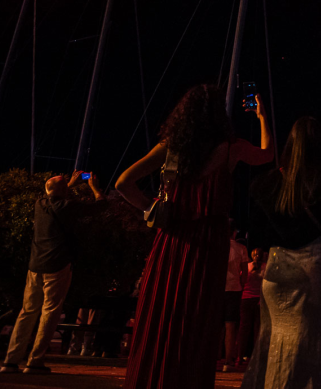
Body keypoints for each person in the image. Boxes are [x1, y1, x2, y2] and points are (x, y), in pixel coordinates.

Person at [117, 85, 273, 389]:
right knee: (197, 317)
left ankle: (153, 378)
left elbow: (124, 182)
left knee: (164, 311)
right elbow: (267, 155)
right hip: (208, 243)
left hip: (173, 239)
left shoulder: (171, 147)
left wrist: (152, 207)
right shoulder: (232, 148)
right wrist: (262, 117)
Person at [242, 116, 321, 389]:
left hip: (277, 267)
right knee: (308, 342)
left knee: (272, 338)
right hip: (313, 265)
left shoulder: (267, 183)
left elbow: (255, 234)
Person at [1, 171, 106, 375]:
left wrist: (69, 185)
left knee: (27, 312)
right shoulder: (68, 206)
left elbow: (54, 194)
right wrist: (94, 187)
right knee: (50, 312)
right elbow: (100, 206)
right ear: (64, 191)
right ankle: (35, 361)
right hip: (57, 264)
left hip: (35, 265)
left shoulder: (39, 204)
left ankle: (10, 361)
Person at [223, 226, 249, 371]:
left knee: (215, 325)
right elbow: (244, 272)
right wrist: (242, 285)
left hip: (218, 288)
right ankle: (228, 360)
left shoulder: (216, 245)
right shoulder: (241, 248)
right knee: (230, 325)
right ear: (234, 232)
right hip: (233, 288)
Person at [238, 248, 266, 364]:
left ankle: (241, 356)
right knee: (256, 329)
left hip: (248, 298)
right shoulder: (265, 267)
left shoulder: (249, 266)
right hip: (257, 299)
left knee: (245, 328)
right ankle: (254, 357)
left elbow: (242, 279)